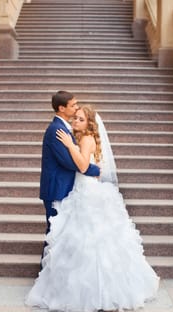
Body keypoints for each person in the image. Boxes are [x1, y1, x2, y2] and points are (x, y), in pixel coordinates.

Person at [25, 105, 159, 312]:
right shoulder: (82, 137)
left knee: (92, 241)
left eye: (80, 119)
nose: (75, 122)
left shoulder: (85, 139)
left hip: (87, 193)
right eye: (75, 118)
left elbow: (83, 166)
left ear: (89, 123)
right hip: (80, 189)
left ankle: (101, 293)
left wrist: (70, 146)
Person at [39, 91, 100, 264]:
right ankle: (46, 273)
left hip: (65, 187)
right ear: (61, 108)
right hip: (56, 189)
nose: (76, 108)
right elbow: (70, 162)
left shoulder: (67, 128)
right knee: (54, 233)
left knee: (59, 232)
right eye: (73, 105)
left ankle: (51, 273)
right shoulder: (56, 130)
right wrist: (95, 170)